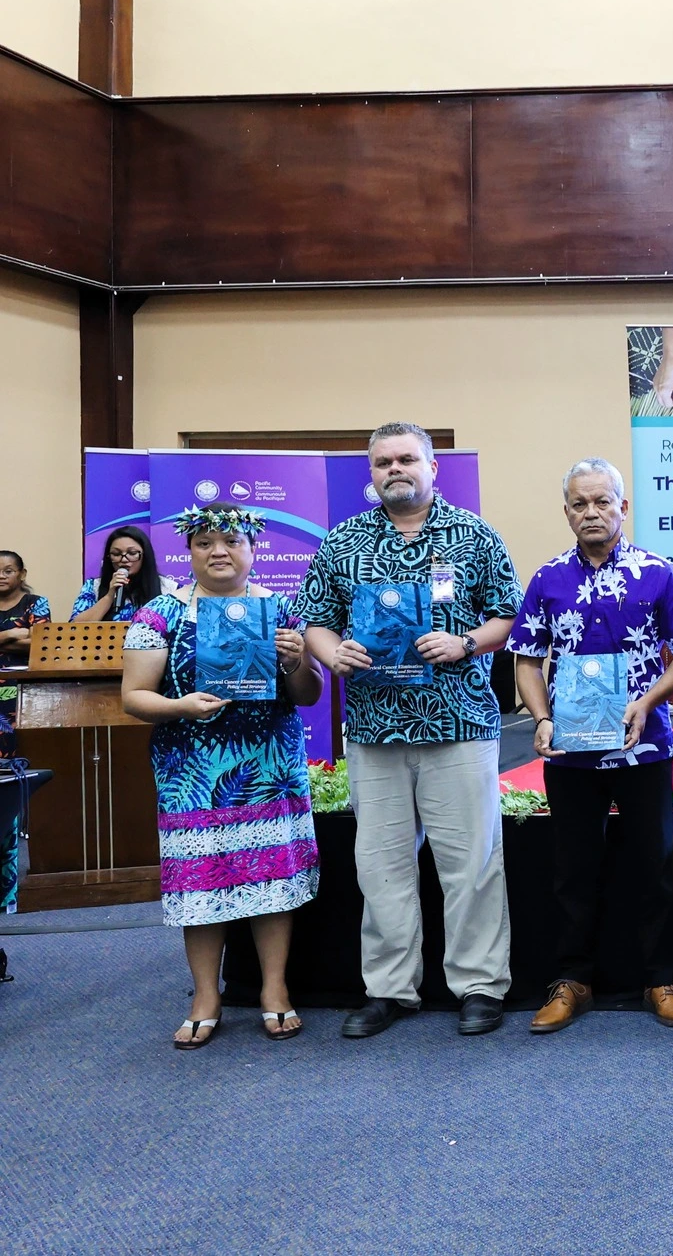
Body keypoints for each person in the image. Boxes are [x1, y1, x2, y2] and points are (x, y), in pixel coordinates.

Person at [297, 422, 521, 1039]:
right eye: (382, 463)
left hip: (459, 723)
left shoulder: (475, 536)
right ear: (371, 473)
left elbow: (510, 612)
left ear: (432, 467)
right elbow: (316, 620)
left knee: (471, 862)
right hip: (374, 727)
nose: (395, 470)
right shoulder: (342, 542)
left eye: (406, 459)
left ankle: (478, 984)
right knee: (380, 865)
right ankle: (389, 989)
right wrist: (331, 650)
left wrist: (467, 641)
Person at [119, 505, 324, 1048]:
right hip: (193, 770)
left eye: (231, 540)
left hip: (269, 769)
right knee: (201, 884)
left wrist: (296, 661)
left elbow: (308, 696)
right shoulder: (159, 614)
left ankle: (274, 990)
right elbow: (133, 697)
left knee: (271, 880)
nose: (219, 551)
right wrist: (182, 706)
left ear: (252, 549)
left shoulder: (279, 609)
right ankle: (205, 994)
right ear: (189, 552)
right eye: (205, 542)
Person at [508, 459, 673, 1034]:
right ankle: (572, 981)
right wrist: (540, 718)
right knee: (572, 868)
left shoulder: (658, 573)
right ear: (566, 511)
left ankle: (661, 979)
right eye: (579, 504)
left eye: (601, 501)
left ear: (622, 506)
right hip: (570, 751)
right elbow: (526, 660)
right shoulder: (547, 578)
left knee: (655, 863)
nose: (591, 512)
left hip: (644, 746)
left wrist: (647, 703)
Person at [0, 550, 51, 913]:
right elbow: (24, 637)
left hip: (22, 701)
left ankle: (7, 891)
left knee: (12, 784)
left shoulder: (37, 602)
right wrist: (13, 633)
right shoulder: (23, 615)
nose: (2, 576)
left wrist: (15, 637)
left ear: (22, 573)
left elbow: (41, 642)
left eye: (9, 570)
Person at [73, 525, 174, 623]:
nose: (124, 560)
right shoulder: (93, 586)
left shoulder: (169, 589)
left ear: (145, 555)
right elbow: (74, 630)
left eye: (132, 553)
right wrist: (109, 596)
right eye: (116, 554)